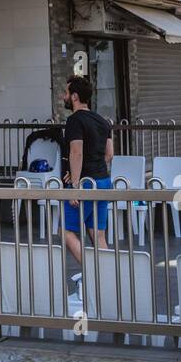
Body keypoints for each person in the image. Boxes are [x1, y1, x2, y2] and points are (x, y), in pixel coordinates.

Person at [61, 75, 113, 267]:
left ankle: (93, 272)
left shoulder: (75, 120)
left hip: (85, 184)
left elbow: (76, 153)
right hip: (103, 182)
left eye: (66, 93)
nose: (63, 97)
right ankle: (107, 277)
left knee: (66, 232)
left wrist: (75, 183)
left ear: (74, 97)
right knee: (98, 234)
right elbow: (109, 154)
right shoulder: (102, 121)